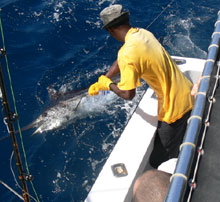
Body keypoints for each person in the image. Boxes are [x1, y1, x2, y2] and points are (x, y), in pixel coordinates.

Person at [88, 4, 193, 168]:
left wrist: (108, 85)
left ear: (110, 30)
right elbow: (120, 60)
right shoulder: (142, 33)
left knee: (160, 162)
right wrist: (104, 77)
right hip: (188, 90)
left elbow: (128, 94)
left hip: (175, 109)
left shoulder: (128, 53)